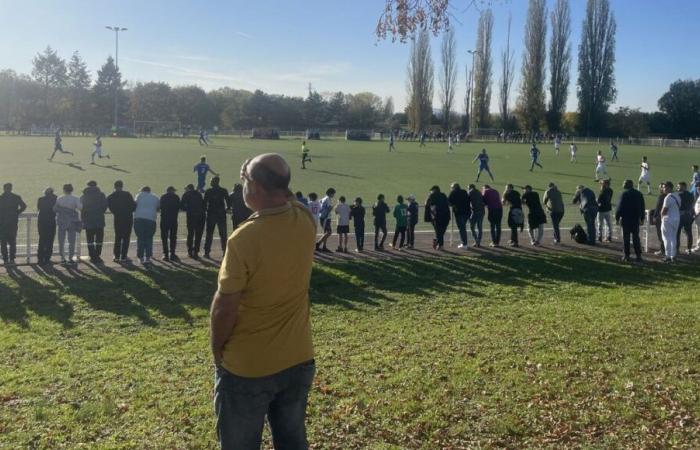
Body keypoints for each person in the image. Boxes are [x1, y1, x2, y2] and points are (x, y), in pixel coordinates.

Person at [211, 153, 316, 449]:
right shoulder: (304, 219)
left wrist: (217, 350)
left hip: (248, 367)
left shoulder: (244, 238)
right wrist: (255, 173)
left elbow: (224, 306)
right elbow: (285, 192)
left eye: (245, 181)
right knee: (292, 439)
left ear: (254, 188)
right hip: (298, 358)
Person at [615, 179, 645, 262]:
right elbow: (642, 207)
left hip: (626, 219)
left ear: (627, 185)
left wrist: (617, 218)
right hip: (635, 219)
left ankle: (626, 255)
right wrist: (642, 218)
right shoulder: (639, 194)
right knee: (636, 238)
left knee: (626, 238)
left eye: (624, 183)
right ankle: (638, 255)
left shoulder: (623, 194)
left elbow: (619, 208)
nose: (623, 184)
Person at [107, 181, 136, 263]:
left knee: (118, 237)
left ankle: (116, 256)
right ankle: (124, 256)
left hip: (118, 218)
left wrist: (116, 212)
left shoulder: (111, 196)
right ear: (122, 186)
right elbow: (134, 206)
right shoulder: (127, 194)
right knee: (126, 238)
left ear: (114, 186)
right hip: (128, 218)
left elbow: (111, 208)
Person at [80, 181, 108, 264]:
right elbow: (105, 206)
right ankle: (97, 255)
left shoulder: (84, 195)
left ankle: (92, 255)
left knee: (90, 239)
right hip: (99, 219)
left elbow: (82, 207)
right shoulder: (101, 195)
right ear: (96, 185)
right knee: (99, 239)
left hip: (88, 220)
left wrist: (84, 218)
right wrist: (100, 212)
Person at [204, 176, 232, 259]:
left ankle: (207, 252)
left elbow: (205, 202)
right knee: (223, 234)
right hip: (221, 214)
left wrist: (205, 210)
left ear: (214, 182)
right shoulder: (223, 190)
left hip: (211, 213)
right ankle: (225, 252)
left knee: (209, 234)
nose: (210, 182)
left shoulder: (208, 191)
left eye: (211, 181)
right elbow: (228, 201)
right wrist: (228, 208)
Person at [0, 183, 27, 265]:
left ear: (3, 188)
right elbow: (24, 206)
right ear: (11, 188)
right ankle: (12, 258)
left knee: (3, 242)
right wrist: (17, 212)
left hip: (2, 223)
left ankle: (5, 259)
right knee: (12, 242)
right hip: (13, 222)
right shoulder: (16, 197)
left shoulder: (1, 198)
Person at [54, 184, 81, 264]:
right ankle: (70, 257)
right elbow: (80, 207)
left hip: (62, 221)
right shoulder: (75, 198)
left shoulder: (59, 198)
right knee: (72, 241)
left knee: (61, 240)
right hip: (72, 221)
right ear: (72, 190)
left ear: (64, 190)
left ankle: (62, 257)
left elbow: (55, 209)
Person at [134, 186, 160, 265]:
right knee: (149, 238)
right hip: (151, 219)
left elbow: (135, 205)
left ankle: (141, 257)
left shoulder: (138, 195)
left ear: (142, 190)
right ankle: (148, 257)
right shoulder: (155, 197)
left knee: (140, 238)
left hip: (139, 219)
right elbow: (158, 208)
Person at [181, 184, 205, 259]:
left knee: (190, 234)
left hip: (191, 216)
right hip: (200, 216)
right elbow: (203, 204)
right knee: (198, 235)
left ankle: (190, 251)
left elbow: (182, 206)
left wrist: (187, 209)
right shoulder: (199, 194)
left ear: (188, 188)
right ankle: (196, 252)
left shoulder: (186, 194)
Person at [660, 181, 681, 263]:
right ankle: (673, 256)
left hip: (668, 219)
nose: (663, 189)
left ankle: (667, 256)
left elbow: (664, 211)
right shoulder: (677, 196)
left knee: (666, 238)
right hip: (676, 218)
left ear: (669, 188)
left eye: (664, 187)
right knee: (673, 237)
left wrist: (661, 218)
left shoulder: (668, 197)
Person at [425, 186, 450, 250]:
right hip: (446, 216)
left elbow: (426, 203)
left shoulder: (432, 195)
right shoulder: (443, 195)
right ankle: (438, 242)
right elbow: (448, 203)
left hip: (437, 216)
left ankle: (440, 244)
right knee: (441, 231)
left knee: (439, 231)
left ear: (434, 190)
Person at [36, 187, 57, 265]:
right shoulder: (55, 199)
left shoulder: (40, 199)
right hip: (51, 221)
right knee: (50, 240)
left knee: (42, 239)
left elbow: (38, 208)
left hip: (41, 221)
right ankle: (47, 258)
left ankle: (40, 258)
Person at [160, 186, 181, 261]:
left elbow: (160, 207)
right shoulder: (176, 197)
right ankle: (172, 253)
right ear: (172, 191)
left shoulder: (163, 197)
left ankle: (165, 254)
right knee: (173, 237)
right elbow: (179, 207)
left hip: (164, 219)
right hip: (173, 219)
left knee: (164, 237)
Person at [448, 183, 471, 249]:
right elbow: (468, 199)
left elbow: (448, 201)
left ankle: (464, 244)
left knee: (462, 229)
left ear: (454, 187)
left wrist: (453, 206)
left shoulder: (453, 193)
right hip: (467, 212)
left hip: (459, 213)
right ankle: (464, 243)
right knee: (463, 228)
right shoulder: (464, 191)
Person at [676, 181, 695, 255]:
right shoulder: (690, 195)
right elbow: (692, 204)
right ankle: (689, 249)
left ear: (683, 186)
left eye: (679, 186)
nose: (678, 188)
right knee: (689, 233)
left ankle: (677, 249)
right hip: (688, 215)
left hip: (680, 215)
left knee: (677, 233)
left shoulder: (678, 195)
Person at [315, 188, 336, 252]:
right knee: (329, 232)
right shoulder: (328, 199)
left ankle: (324, 246)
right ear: (330, 193)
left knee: (325, 232)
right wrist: (332, 207)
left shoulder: (324, 198)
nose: (333, 195)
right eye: (333, 194)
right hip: (325, 218)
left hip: (323, 217)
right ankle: (318, 243)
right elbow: (329, 207)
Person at [652, 183, 667, 256]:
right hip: (668, 218)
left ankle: (662, 250)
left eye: (661, 187)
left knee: (660, 235)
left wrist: (654, 216)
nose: (660, 189)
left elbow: (658, 207)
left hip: (660, 218)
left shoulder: (661, 196)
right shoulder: (671, 195)